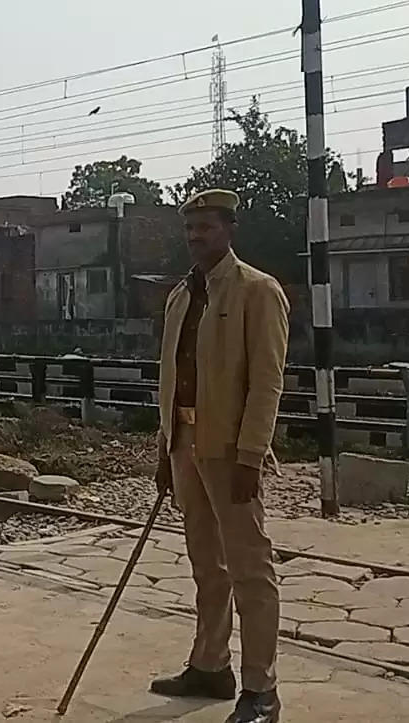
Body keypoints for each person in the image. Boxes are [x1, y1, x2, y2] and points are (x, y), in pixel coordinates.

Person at [151, 189, 289, 723]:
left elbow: (267, 382)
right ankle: (210, 666)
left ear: (229, 229)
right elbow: (170, 378)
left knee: (251, 569)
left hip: (231, 453)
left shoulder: (258, 291)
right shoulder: (181, 296)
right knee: (207, 565)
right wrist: (164, 449)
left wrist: (251, 455)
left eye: (206, 228)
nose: (195, 238)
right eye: (189, 229)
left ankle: (262, 690)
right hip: (185, 446)